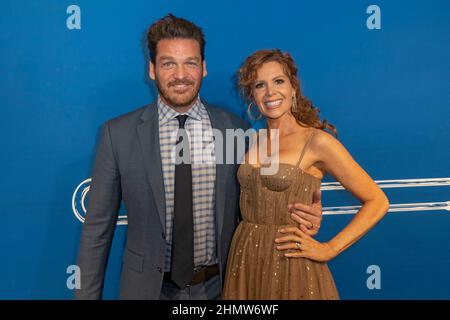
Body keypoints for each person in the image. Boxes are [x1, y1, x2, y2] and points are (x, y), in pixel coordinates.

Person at [75, 15, 323, 300]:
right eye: (169, 63)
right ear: (152, 69)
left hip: (222, 288)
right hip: (146, 290)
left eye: (190, 63)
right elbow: (96, 232)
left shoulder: (236, 131)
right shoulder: (117, 134)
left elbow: (261, 201)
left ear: (203, 68)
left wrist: (304, 212)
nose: (180, 75)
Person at [223, 49, 390, 300]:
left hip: (291, 264)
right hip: (245, 259)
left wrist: (329, 249)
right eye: (260, 85)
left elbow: (377, 201)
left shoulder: (317, 142)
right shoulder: (252, 140)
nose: (270, 92)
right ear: (252, 96)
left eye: (278, 81)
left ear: (293, 88)